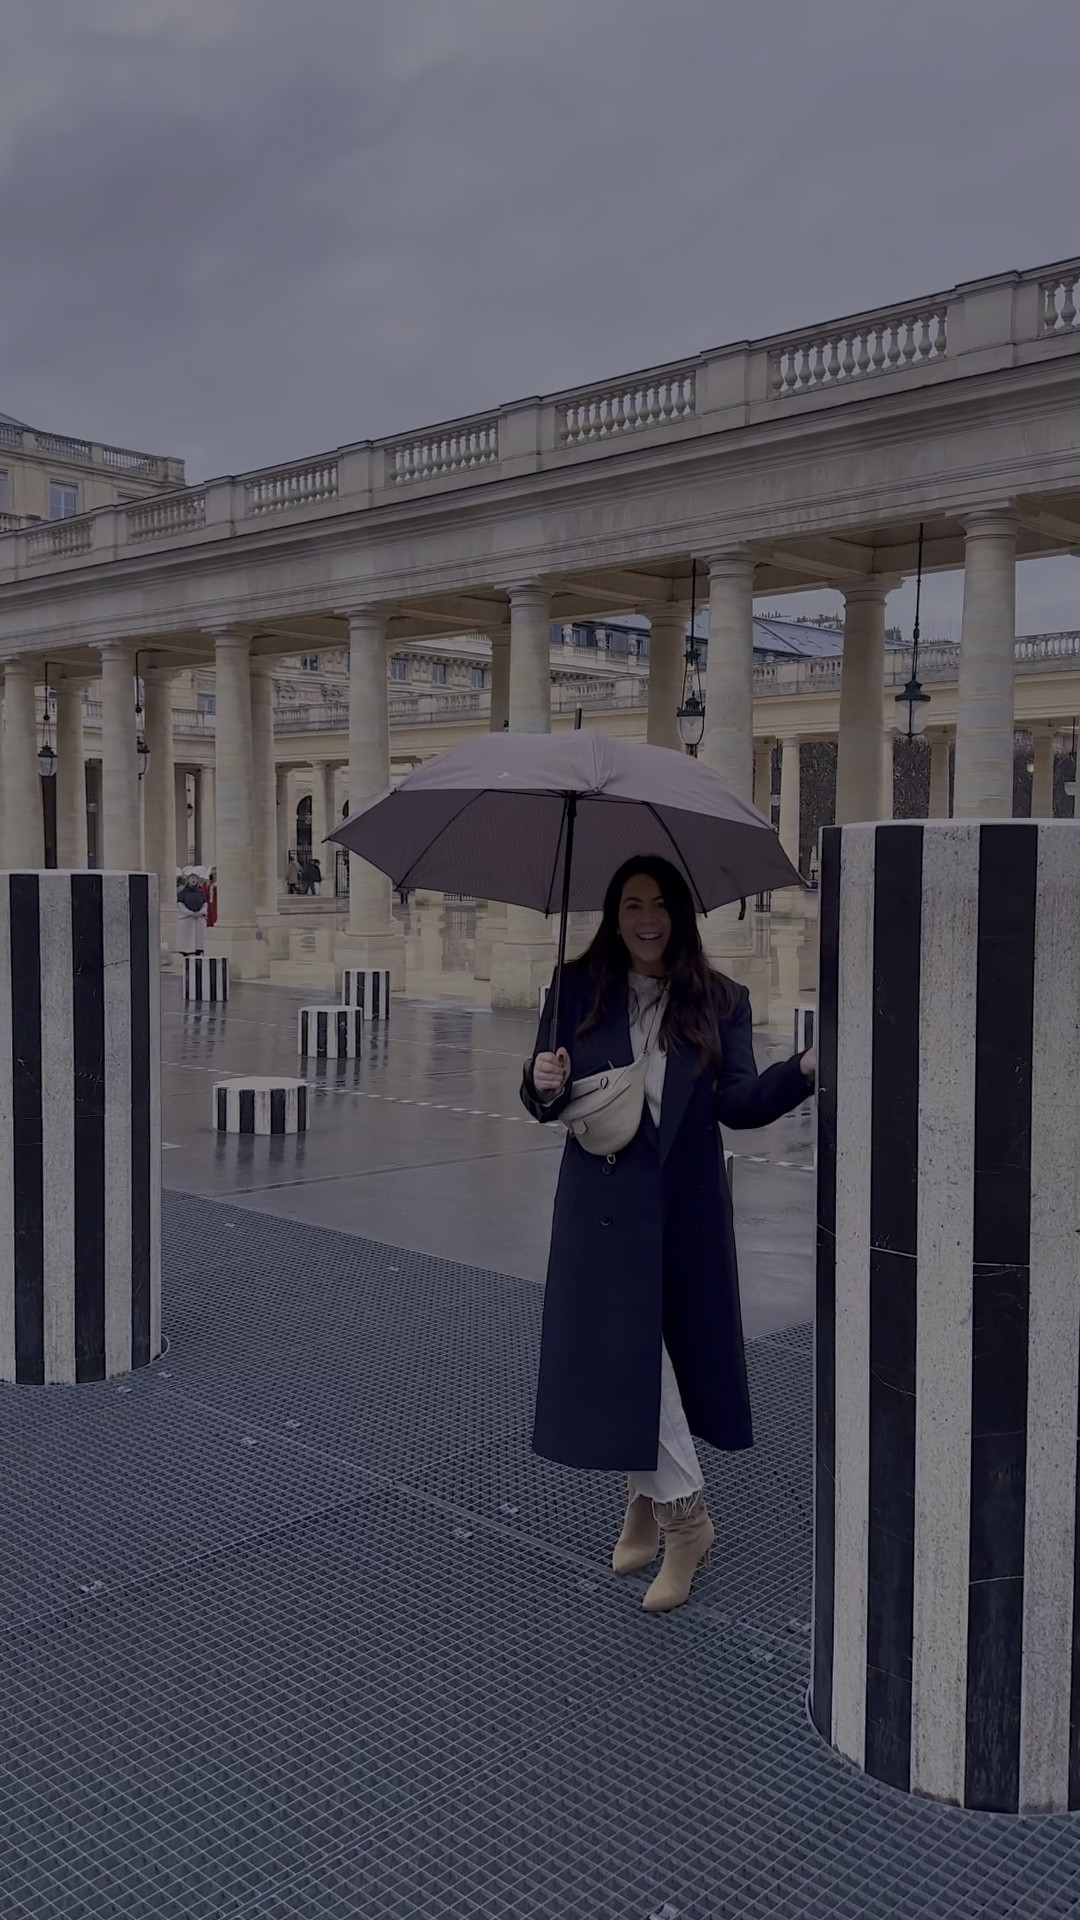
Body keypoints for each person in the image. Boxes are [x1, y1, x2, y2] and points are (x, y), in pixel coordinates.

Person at [521, 855, 816, 1616]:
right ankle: (685, 1518)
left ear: (681, 915)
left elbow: (740, 1103)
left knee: (659, 1362)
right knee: (631, 1360)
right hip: (600, 1209)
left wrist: (806, 1070)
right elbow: (542, 1096)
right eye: (631, 905)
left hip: (681, 1210)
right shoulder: (577, 989)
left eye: (659, 905)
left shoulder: (719, 999)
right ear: (613, 918)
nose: (646, 919)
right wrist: (542, 1086)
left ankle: (651, 1508)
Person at [176, 873, 208, 957]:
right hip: (187, 919)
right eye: (192, 878)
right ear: (188, 879)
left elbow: (205, 903)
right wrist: (190, 913)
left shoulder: (200, 892)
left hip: (198, 919)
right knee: (187, 940)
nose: (193, 880)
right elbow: (180, 904)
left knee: (198, 940)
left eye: (195, 878)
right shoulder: (183, 893)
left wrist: (201, 912)